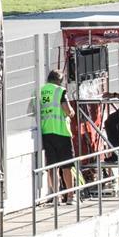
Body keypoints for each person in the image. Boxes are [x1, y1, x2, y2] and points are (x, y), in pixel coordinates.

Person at [38, 70, 76, 202]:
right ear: (59, 81)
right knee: (66, 166)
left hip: (46, 133)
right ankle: (70, 196)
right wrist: (72, 112)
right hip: (62, 132)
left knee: (52, 167)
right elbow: (67, 110)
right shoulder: (60, 91)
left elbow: (32, 111)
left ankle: (56, 197)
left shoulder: (39, 91)